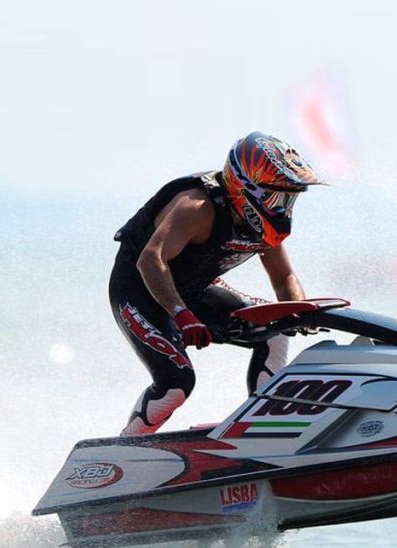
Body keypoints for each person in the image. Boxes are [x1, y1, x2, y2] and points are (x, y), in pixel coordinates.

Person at [109, 131, 324, 435]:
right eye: (277, 197)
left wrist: (299, 312)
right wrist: (182, 315)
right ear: (244, 187)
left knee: (275, 330)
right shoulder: (197, 207)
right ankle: (122, 450)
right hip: (140, 290)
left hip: (195, 290)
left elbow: (283, 277)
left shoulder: (263, 225)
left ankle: (263, 430)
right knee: (176, 385)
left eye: (289, 198)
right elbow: (150, 260)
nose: (282, 208)